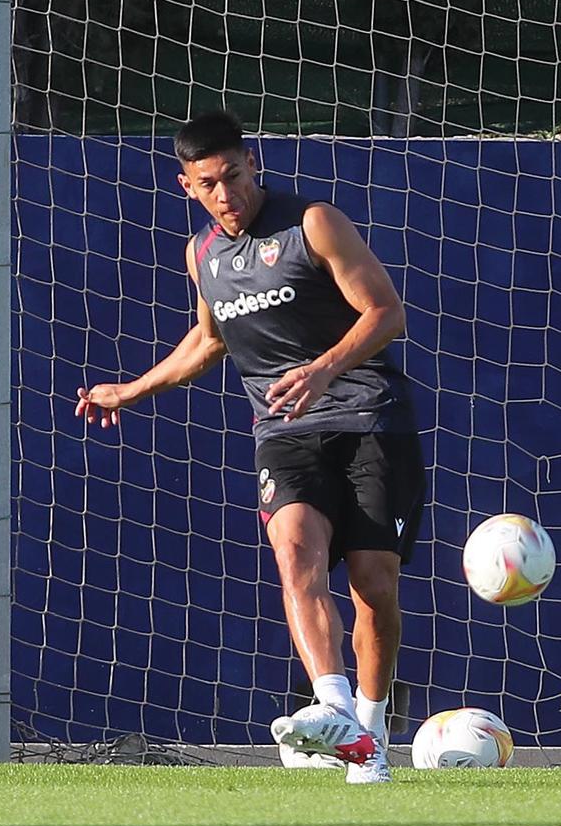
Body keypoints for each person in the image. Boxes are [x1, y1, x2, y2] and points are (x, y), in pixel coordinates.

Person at [76, 110, 424, 784]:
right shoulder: (202, 254)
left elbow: (386, 312)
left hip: (370, 418)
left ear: (253, 163)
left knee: (373, 586)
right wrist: (130, 390)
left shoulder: (313, 223)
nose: (225, 193)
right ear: (187, 186)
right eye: (209, 183)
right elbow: (207, 342)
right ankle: (336, 712)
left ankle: (372, 735)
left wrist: (323, 368)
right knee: (294, 549)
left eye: (233, 175)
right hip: (283, 431)